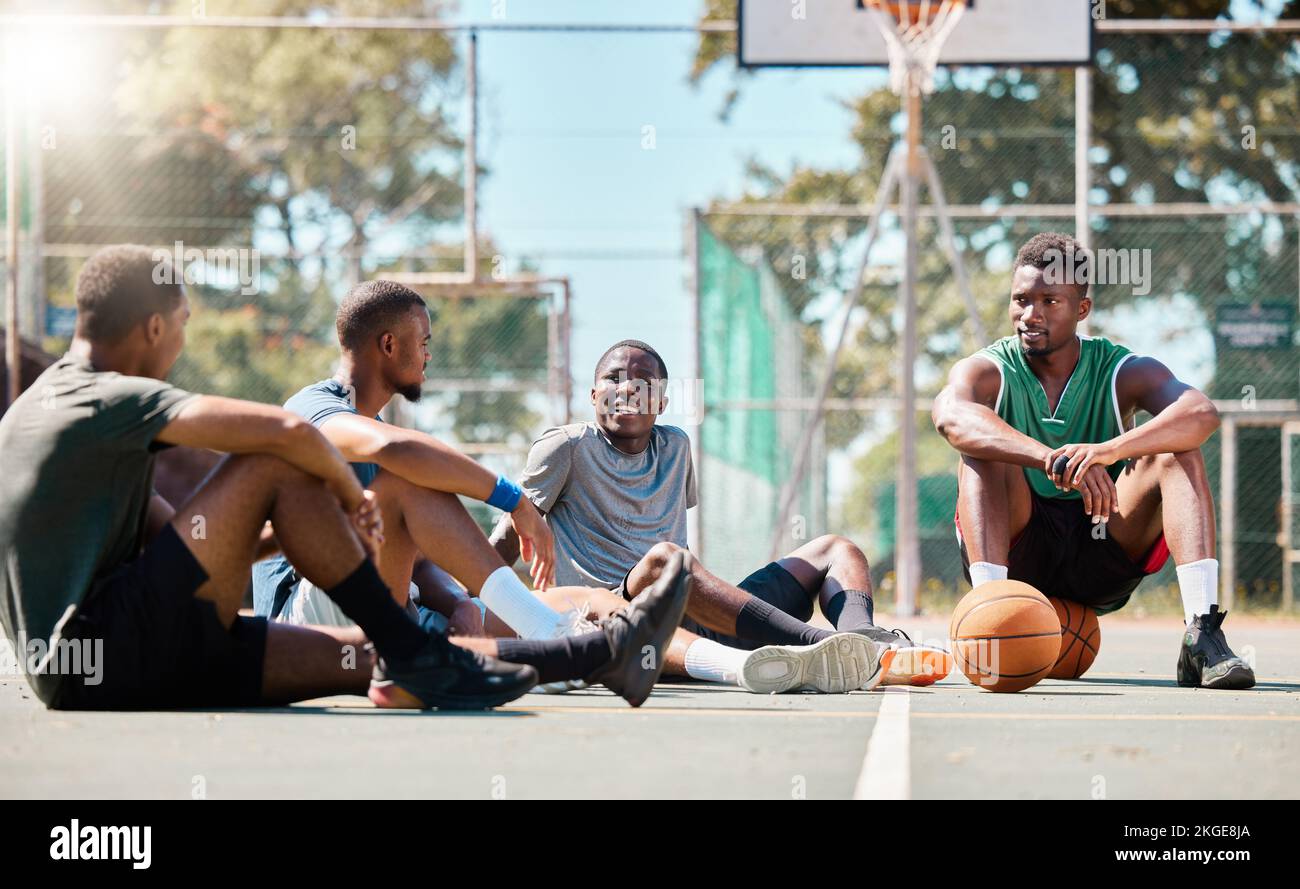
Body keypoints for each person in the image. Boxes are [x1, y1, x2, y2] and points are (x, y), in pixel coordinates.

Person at [0, 246, 680, 712]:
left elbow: (164, 537)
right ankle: (410, 646)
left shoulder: (61, 410)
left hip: (128, 656)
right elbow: (288, 435)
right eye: (179, 327)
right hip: (107, 644)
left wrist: (286, 537)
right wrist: (354, 498)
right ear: (152, 326)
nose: (179, 345)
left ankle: (604, 653)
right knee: (281, 460)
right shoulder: (103, 395)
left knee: (373, 662)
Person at [250, 280, 689, 706]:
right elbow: (394, 449)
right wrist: (513, 500)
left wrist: (459, 601)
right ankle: (556, 641)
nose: (428, 354)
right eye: (422, 341)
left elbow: (411, 554)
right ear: (388, 346)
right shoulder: (313, 406)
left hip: (392, 619)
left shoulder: (374, 429)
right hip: (306, 620)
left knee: (577, 600)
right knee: (408, 477)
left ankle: (723, 661)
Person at [490, 339, 952, 693]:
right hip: (619, 611)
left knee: (837, 548)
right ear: (594, 395)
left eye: (643, 381)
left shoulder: (676, 446)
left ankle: (866, 641)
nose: (627, 387)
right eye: (612, 378)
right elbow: (515, 525)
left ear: (662, 403)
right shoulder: (565, 447)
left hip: (690, 610)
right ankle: (818, 645)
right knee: (667, 560)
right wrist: (469, 589)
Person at [931, 231, 1254, 689]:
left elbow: (1201, 412)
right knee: (982, 451)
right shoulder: (989, 368)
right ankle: (991, 616)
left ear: (1081, 310)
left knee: (1176, 451)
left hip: (1101, 536)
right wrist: (1050, 459)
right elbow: (950, 417)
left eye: (1049, 301)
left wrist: (1105, 452)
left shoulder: (1119, 369)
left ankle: (1203, 634)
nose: (1030, 314)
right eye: (1020, 300)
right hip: (1020, 553)